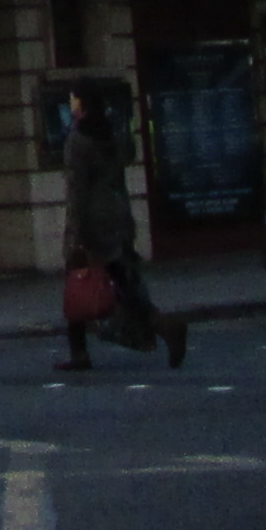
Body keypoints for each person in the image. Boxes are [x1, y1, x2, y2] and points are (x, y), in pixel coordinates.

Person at [56, 89, 188, 371]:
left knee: (77, 282)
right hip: (116, 217)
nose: (71, 105)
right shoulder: (111, 135)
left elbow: (77, 191)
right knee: (123, 283)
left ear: (82, 105)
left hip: (92, 223)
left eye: (73, 100)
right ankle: (163, 326)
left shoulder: (77, 140)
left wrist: (76, 235)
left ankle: (81, 352)